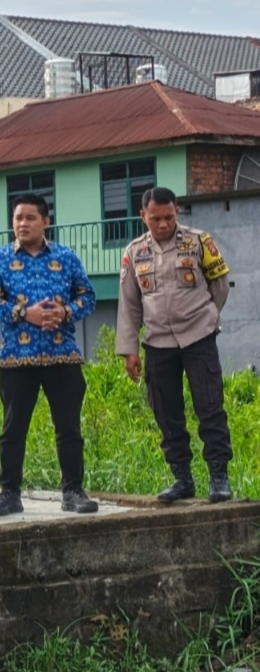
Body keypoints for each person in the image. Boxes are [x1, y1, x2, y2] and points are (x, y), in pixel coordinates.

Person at [0, 192, 98, 516]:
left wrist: (65, 311)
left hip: (63, 355)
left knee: (69, 429)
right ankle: (9, 492)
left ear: (46, 221)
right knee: (13, 429)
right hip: (17, 358)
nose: (23, 224)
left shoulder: (66, 256)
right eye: (18, 218)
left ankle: (73, 491)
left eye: (30, 218)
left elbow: (88, 296)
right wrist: (23, 313)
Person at [115, 186, 232, 502]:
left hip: (199, 338)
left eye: (168, 217)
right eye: (156, 218)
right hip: (158, 343)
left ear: (177, 212)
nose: (163, 224)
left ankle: (219, 477)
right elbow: (129, 304)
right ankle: (182, 478)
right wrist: (129, 350)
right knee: (166, 413)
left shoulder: (198, 242)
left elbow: (220, 285)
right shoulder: (134, 251)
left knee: (209, 407)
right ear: (144, 216)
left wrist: (205, 317)